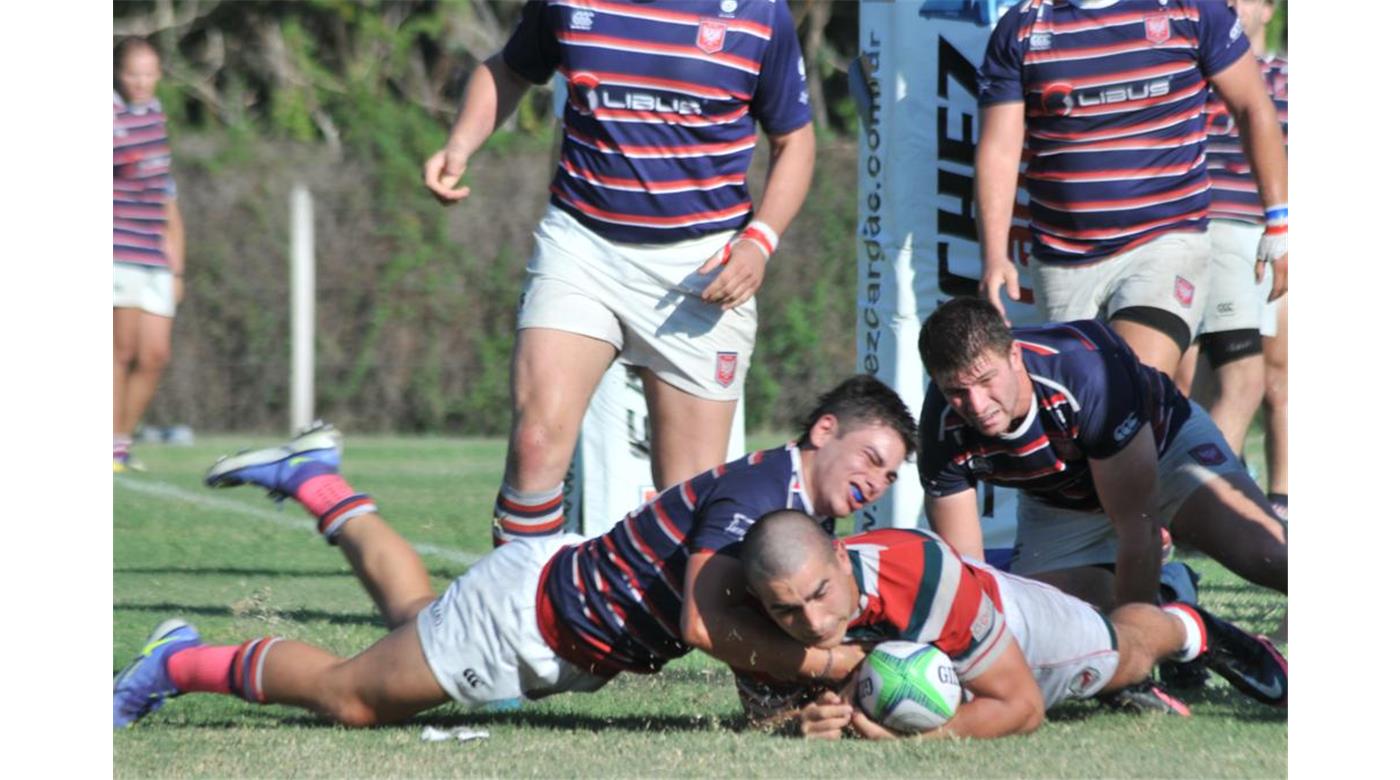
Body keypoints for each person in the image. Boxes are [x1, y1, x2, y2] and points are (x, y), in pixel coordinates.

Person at [113, 376, 916, 730]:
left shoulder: (792, 512)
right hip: (527, 623)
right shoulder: (758, 496)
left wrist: (791, 716)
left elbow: (741, 633)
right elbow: (705, 626)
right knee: (351, 697)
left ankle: (316, 482)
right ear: (822, 433)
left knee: (417, 617)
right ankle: (174, 661)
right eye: (872, 457)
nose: (878, 480)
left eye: (892, 473)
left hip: (543, 596)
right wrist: (821, 668)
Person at [421, 1, 816, 546]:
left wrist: (760, 241)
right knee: (536, 443)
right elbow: (509, 69)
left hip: (703, 268)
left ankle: (660, 628)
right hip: (582, 246)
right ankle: (515, 615)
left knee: (688, 501)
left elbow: (794, 140)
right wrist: (459, 144)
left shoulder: (756, 12)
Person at [737, 511, 1286, 740]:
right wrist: (802, 721)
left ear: (839, 554)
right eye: (786, 611)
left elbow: (1023, 709)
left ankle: (1189, 626)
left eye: (820, 594)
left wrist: (914, 738)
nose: (810, 621)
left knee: (1124, 653)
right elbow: (767, 720)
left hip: (1014, 626)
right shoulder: (756, 613)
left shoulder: (918, 580)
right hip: (961, 607)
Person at [975, 0, 1287, 381]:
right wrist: (994, 255)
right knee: (1086, 415)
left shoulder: (1191, 11)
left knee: (1132, 389)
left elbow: (1253, 107)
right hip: (1063, 259)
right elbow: (1000, 150)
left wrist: (1279, 220)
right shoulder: (1023, 26)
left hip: (1164, 243)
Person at [915, 298, 1285, 613]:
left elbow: (1138, 526)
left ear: (1015, 354)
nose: (976, 406)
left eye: (985, 381)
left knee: (1269, 557)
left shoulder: (1086, 372)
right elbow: (969, 572)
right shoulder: (940, 425)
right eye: (957, 391)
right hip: (1059, 496)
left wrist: (1133, 646)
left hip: (1164, 447)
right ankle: (1171, 594)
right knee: (1035, 616)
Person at [1173, 0, 1289, 459]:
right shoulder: (1191, 73)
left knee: (1263, 378)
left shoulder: (1284, 76)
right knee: (1231, 382)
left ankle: (1264, 504)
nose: (1231, 5)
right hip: (1203, 231)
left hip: (1260, 235)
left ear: (1268, 10)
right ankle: (1206, 502)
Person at [113, 37, 187, 472]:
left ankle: (119, 440)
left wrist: (177, 263)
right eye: (132, 73)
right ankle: (108, 446)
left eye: (148, 73)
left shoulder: (156, 114)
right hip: (116, 246)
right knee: (119, 351)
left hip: (154, 249)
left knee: (155, 354)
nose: (141, 82)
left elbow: (165, 193)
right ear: (118, 74)